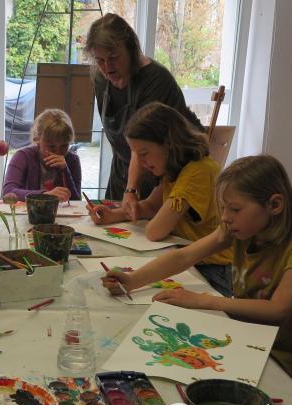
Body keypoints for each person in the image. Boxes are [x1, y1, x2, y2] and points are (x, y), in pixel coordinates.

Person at [102, 155, 292, 384]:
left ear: (274, 205)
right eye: (223, 208)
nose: (226, 218)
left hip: (289, 360)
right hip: (250, 340)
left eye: (235, 209)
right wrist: (132, 280)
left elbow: (278, 309)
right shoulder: (243, 229)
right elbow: (184, 256)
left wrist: (205, 301)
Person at [88, 102, 232, 295]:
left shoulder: (197, 171)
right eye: (136, 155)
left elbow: (155, 231)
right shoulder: (178, 168)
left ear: (168, 144)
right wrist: (114, 215)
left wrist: (137, 212)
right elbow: (151, 205)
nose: (139, 162)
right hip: (191, 259)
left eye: (144, 153)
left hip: (213, 269)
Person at [86, 13, 203, 220]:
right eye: (100, 60)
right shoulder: (100, 78)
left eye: (113, 58)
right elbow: (120, 141)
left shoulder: (155, 80)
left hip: (164, 179)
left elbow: (142, 143)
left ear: (131, 49)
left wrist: (131, 190)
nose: (107, 67)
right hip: (123, 172)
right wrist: (124, 195)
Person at [2, 108, 81, 202]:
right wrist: (44, 195)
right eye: (51, 146)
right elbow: (8, 192)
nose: (58, 152)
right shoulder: (22, 156)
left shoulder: (72, 160)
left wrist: (65, 170)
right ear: (37, 139)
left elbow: (76, 199)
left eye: (64, 145)